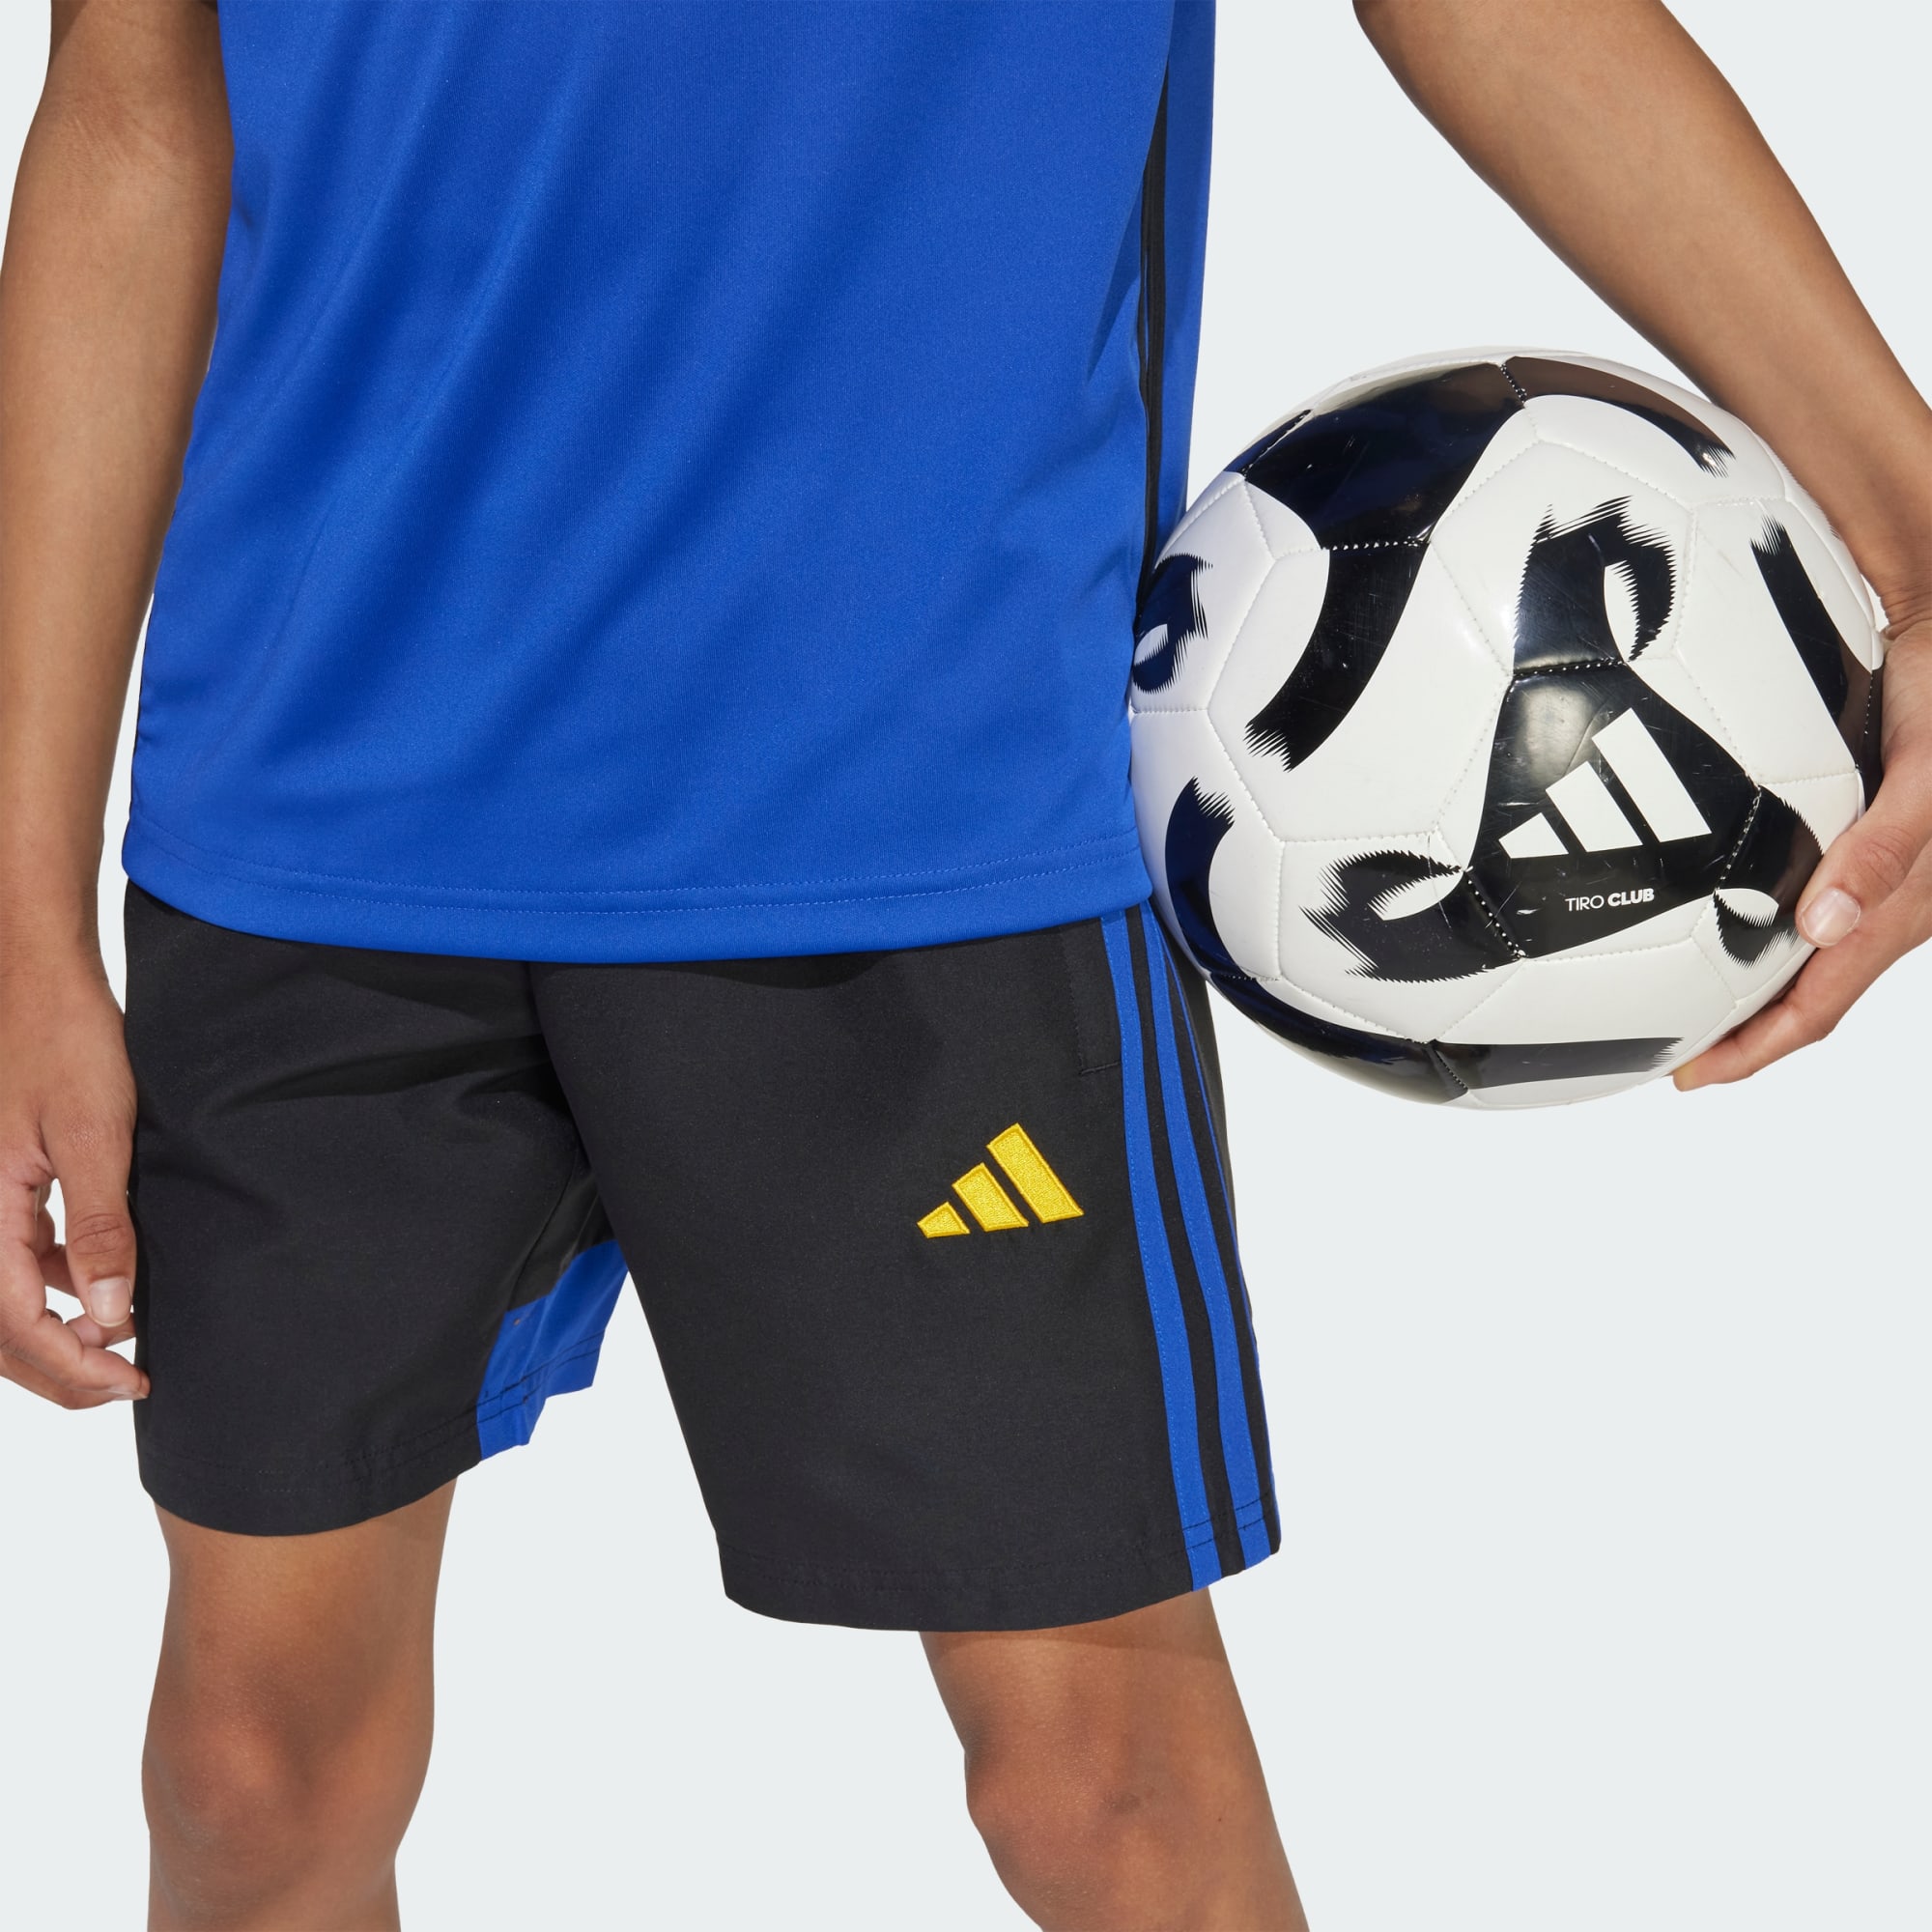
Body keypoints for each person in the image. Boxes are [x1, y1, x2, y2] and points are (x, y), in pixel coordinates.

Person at [2, 1, 1928, 1926]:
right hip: (316, 786)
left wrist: (1916, 540)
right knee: (252, 1774)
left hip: (921, 796)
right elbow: (130, 103)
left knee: (1105, 1798)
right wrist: (18, 910)